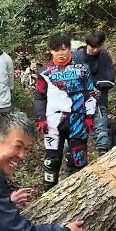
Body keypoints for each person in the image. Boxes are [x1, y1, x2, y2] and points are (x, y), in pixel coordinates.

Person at [35, 33, 99, 191]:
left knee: (78, 158)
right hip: (53, 121)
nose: (60, 53)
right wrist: (41, 118)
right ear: (50, 51)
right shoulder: (44, 72)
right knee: (52, 159)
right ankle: (48, 193)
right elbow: (39, 97)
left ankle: (80, 192)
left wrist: (90, 116)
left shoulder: (82, 69)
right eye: (56, 50)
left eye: (63, 49)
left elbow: (90, 93)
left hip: (78, 119)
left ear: (70, 49)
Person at [72, 31, 115, 155]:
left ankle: (103, 152)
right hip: (80, 99)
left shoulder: (105, 58)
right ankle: (77, 156)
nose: (94, 50)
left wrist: (97, 86)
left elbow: (110, 79)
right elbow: (71, 80)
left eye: (97, 47)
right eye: (92, 47)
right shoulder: (77, 57)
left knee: (101, 125)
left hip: (99, 98)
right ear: (87, 44)